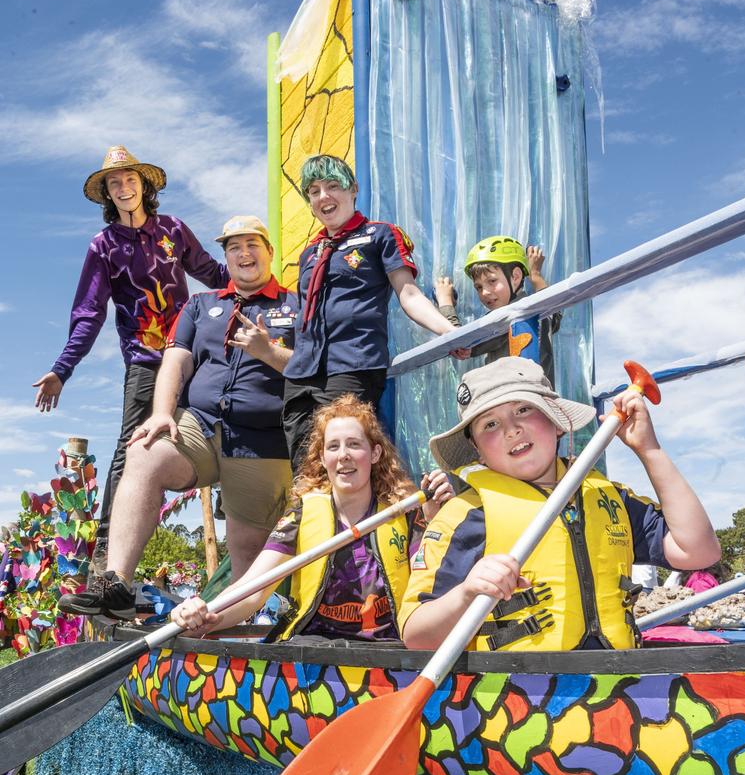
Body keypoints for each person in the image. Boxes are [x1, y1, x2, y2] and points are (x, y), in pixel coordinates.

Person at [59, 216, 296, 620]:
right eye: (233, 247)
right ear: (225, 257)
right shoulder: (202, 305)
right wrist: (161, 413)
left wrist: (268, 352)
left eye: (252, 244)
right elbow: (175, 360)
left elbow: (310, 370)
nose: (244, 253)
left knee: (247, 572)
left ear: (269, 252)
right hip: (198, 427)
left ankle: (237, 637)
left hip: (261, 442)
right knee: (144, 452)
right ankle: (115, 582)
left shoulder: (295, 305)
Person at [400, 357, 721, 652]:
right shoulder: (464, 516)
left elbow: (699, 551)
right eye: (490, 424)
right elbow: (416, 635)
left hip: (617, 694)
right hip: (519, 701)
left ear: (556, 420)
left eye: (524, 409)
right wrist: (465, 594)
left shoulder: (610, 499)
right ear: (477, 450)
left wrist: (649, 450)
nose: (512, 429)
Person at [33, 146, 228, 568]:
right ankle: (107, 559)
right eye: (115, 183)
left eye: (130, 179)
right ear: (107, 194)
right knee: (131, 449)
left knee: (230, 418)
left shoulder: (173, 230)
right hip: (145, 362)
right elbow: (88, 313)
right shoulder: (103, 246)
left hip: (191, 354)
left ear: (145, 186)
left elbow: (213, 274)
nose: (124, 187)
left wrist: (262, 281)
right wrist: (61, 369)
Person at [170, 394, 454, 641]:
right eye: (333, 447)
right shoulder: (302, 514)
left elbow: (437, 588)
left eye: (354, 444)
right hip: (314, 649)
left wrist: (436, 524)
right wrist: (206, 614)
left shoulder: (407, 513)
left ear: (375, 453)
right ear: (323, 457)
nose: (344, 456)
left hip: (389, 652)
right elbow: (252, 591)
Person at [281, 154, 468, 469]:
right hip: (301, 373)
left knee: (340, 459)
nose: (323, 196)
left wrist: (447, 331)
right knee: (304, 468)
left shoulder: (380, 235)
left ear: (353, 190)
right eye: (313, 190)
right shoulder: (309, 252)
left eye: (332, 186)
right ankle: (310, 518)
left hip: (351, 365)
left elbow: (408, 294)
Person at [434, 236, 561, 386]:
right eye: (479, 287)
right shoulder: (540, 310)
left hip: (510, 402)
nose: (485, 292)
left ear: (516, 276)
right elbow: (555, 316)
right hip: (542, 400)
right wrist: (535, 275)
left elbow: (461, 345)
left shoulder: (506, 317)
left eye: (492, 281)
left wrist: (445, 301)